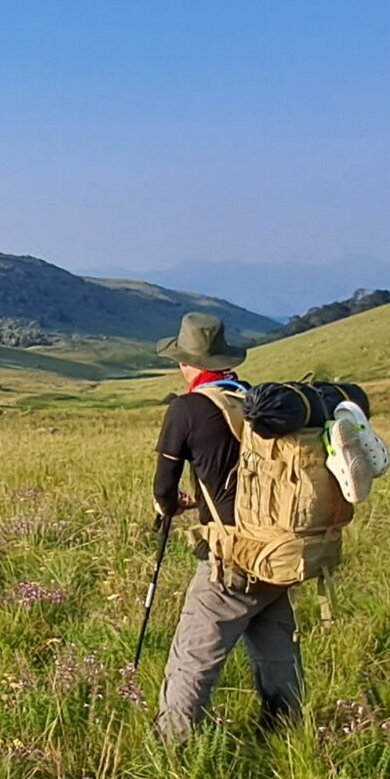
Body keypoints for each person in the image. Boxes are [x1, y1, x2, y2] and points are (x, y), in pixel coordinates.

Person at [148, 312, 302, 739]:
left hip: (229, 556)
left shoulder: (187, 408)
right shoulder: (254, 399)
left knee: (192, 661)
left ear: (187, 363)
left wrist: (170, 505)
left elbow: (164, 488)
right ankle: (287, 741)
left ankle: (172, 755)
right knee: (277, 656)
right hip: (276, 548)